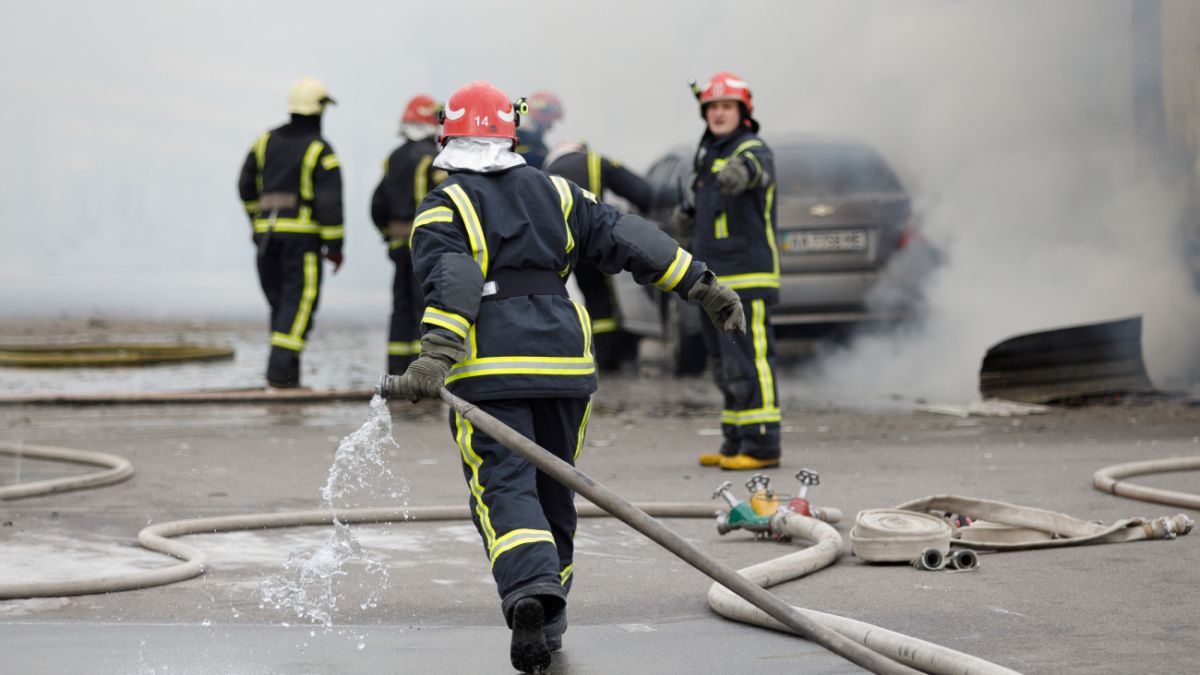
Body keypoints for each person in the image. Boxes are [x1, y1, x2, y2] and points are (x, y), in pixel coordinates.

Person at [378, 80, 744, 673]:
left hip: (491, 371)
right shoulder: (560, 190)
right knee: (556, 487)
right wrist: (701, 283)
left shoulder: (444, 205)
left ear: (449, 136)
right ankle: (551, 618)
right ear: (511, 132)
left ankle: (529, 593)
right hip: (565, 365)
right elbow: (628, 237)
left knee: (505, 486)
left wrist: (435, 357)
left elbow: (454, 277)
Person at [681, 71, 782, 471]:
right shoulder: (708, 154)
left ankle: (762, 444)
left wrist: (740, 174)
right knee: (725, 365)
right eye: (713, 107)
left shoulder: (753, 148)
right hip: (715, 282)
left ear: (743, 111)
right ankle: (736, 439)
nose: (719, 114)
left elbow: (753, 168)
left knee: (752, 360)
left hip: (748, 277)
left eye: (727, 106)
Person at [237, 77, 344, 388]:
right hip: (303, 242)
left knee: (282, 307)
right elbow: (330, 202)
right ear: (319, 109)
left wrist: (256, 223)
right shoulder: (319, 149)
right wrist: (335, 245)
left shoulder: (264, 141)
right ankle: (280, 376)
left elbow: (244, 186)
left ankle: (287, 376)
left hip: (267, 241)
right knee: (299, 306)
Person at [545, 142, 656, 371]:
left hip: (555, 246)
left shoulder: (544, 173)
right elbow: (640, 192)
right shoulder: (593, 160)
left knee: (567, 296)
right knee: (600, 297)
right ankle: (608, 360)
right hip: (590, 237)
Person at [371, 94, 448, 374]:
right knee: (424, 311)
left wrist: (388, 234)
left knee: (400, 310)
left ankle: (396, 373)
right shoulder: (435, 160)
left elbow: (377, 205)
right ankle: (421, 377)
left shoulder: (394, 158)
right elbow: (446, 201)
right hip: (426, 249)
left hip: (398, 247)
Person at [514, 90, 562, 169]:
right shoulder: (540, 152)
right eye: (549, 124)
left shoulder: (509, 139)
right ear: (541, 121)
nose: (550, 128)